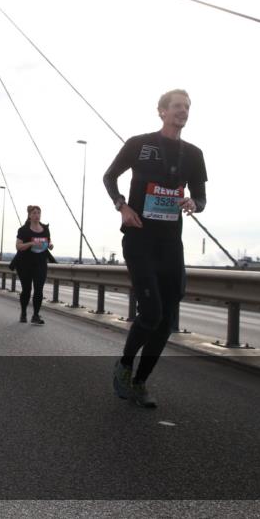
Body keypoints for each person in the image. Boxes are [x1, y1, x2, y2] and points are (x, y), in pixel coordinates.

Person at [104, 89, 207, 408]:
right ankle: (124, 365)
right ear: (161, 111)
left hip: (169, 244)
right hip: (139, 240)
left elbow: (201, 199)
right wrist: (122, 206)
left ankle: (140, 382)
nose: (183, 111)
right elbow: (109, 177)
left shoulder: (193, 154)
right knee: (150, 312)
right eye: (177, 106)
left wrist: (194, 202)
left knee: (166, 320)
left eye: (187, 107)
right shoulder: (139, 143)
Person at [14, 205, 53, 325]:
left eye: (38, 213)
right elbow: (18, 246)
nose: (37, 215)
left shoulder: (45, 228)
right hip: (25, 263)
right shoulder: (23, 230)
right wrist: (31, 243)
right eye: (34, 213)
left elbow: (48, 240)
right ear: (29, 215)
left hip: (40, 263)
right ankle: (24, 313)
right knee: (26, 290)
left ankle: (35, 315)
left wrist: (50, 244)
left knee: (39, 290)